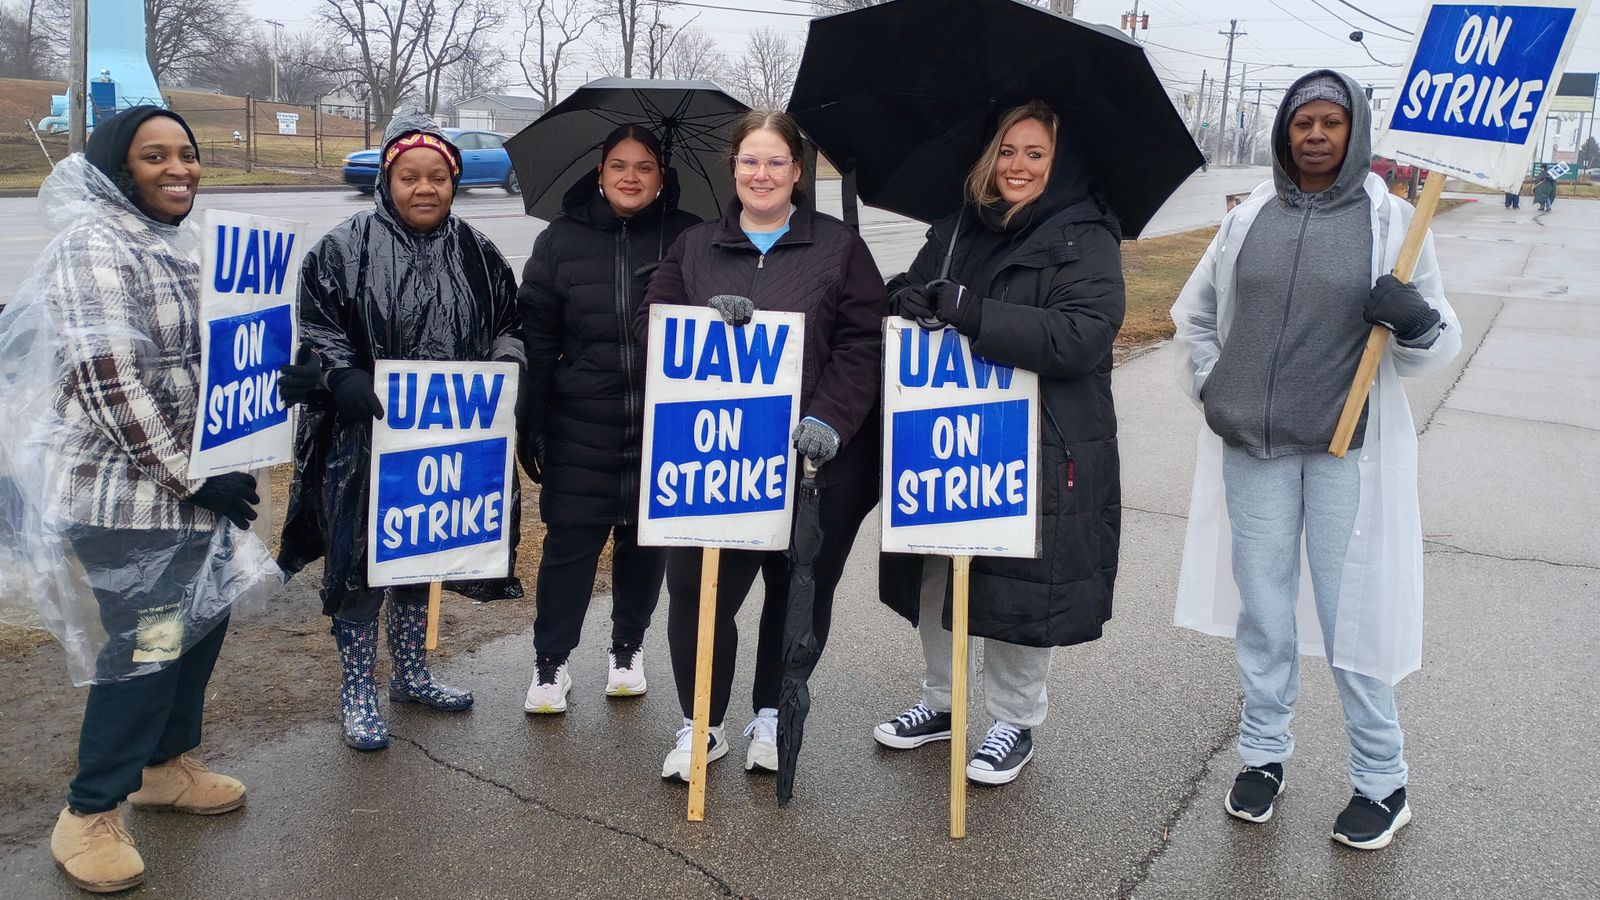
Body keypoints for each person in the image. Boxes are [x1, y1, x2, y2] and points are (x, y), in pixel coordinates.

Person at [1170, 71, 1461, 850]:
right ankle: (1264, 758)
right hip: (1254, 451)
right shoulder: (1248, 219)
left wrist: (1418, 321)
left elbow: (1441, 343)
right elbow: (1193, 315)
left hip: (1345, 454)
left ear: (1354, 131)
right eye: (1304, 122)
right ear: (1285, 132)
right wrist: (1213, 387)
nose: (1317, 135)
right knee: (1263, 612)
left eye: (1332, 122)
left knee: (1350, 620)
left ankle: (1382, 779)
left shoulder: (1394, 223)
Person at [0, 107, 282, 893]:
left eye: (188, 153)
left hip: (194, 495)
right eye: (154, 156)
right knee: (153, 644)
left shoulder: (174, 243)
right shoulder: (93, 243)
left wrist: (271, 387)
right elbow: (107, 379)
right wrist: (195, 476)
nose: (178, 168)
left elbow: (217, 354)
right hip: (126, 502)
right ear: (117, 169)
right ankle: (89, 810)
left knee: (202, 620)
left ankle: (164, 765)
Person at [872, 101, 1126, 786]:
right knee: (938, 572)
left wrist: (977, 314)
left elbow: (1083, 335)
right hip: (946, 436)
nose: (1017, 166)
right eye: (1007, 151)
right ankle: (942, 701)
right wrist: (909, 301)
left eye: (1034, 153)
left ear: (1059, 160)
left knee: (1020, 585)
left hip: (1041, 439)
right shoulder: (957, 228)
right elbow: (915, 288)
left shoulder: (1087, 235)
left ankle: (1014, 720)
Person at [636, 109, 887, 782]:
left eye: (777, 161)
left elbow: (864, 343)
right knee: (695, 587)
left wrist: (831, 418)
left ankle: (773, 714)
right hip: (717, 462)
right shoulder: (694, 246)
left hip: (817, 462)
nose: (762, 173)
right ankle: (701, 723)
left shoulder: (839, 249)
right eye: (751, 160)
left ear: (798, 172)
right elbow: (650, 327)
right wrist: (702, 322)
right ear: (732, 166)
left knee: (796, 589)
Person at [277, 110, 526, 752]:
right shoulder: (342, 247)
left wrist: (505, 361)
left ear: (454, 180)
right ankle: (359, 689)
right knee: (362, 564)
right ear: (388, 180)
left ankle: (412, 674)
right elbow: (313, 331)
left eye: (437, 176)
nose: (424, 188)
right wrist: (341, 378)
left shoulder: (480, 253)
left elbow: (511, 324)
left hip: (445, 440)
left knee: (420, 555)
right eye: (409, 176)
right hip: (361, 443)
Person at [518, 124, 701, 713]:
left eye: (644, 167)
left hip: (663, 421)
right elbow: (538, 338)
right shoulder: (560, 241)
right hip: (581, 420)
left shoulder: (691, 238)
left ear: (661, 177)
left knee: (645, 545)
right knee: (569, 546)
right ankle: (551, 664)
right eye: (619, 165)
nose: (630, 177)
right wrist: (532, 419)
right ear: (599, 174)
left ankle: (627, 649)